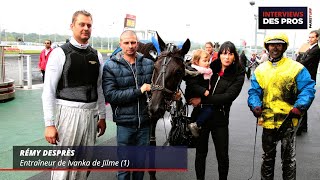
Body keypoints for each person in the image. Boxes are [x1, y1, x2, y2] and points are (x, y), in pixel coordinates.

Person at [42, 10, 106, 180]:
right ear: (72, 26)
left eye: (89, 25)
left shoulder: (96, 55)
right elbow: (48, 90)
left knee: (85, 164)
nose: (86, 28)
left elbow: (99, 88)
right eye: (81, 24)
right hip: (69, 114)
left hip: (91, 115)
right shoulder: (59, 53)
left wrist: (102, 115)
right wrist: (49, 123)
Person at [248, 32, 315, 180]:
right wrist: (255, 105)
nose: (275, 48)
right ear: (267, 46)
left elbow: (308, 89)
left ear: (284, 47)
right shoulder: (260, 70)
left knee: (288, 160)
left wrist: (300, 106)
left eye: (279, 44)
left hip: (289, 120)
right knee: (267, 158)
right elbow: (254, 92)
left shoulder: (296, 67)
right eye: (272, 45)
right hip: (268, 121)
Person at [102, 30, 154, 180]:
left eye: (133, 42)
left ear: (137, 43)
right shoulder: (110, 66)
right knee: (124, 168)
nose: (130, 46)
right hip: (125, 124)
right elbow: (111, 96)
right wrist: (139, 91)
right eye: (126, 43)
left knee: (139, 167)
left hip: (144, 123)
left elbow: (156, 90)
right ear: (121, 44)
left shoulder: (149, 64)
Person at [189, 41, 245, 180]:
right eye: (224, 54)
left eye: (230, 54)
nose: (227, 57)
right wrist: (188, 97)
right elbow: (192, 84)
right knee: (201, 153)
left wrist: (202, 100)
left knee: (222, 156)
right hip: (201, 117)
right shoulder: (209, 66)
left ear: (235, 57)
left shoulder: (238, 73)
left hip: (220, 119)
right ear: (219, 55)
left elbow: (228, 96)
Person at [185, 49, 213, 137]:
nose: (207, 63)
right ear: (196, 62)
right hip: (193, 94)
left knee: (197, 110)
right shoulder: (195, 72)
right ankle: (196, 124)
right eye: (204, 61)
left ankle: (191, 123)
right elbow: (192, 85)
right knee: (209, 109)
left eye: (208, 61)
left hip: (200, 95)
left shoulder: (205, 71)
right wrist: (203, 91)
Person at [296, 30, 320, 135]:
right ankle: (303, 126)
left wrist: (296, 63)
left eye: (313, 37)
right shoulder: (310, 49)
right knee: (303, 101)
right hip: (306, 79)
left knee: (303, 101)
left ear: (317, 38)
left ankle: (301, 127)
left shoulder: (316, 50)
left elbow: (304, 62)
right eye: (309, 37)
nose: (310, 39)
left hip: (308, 80)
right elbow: (301, 58)